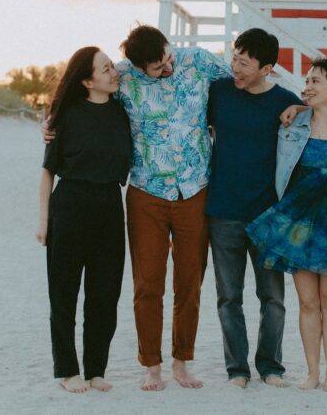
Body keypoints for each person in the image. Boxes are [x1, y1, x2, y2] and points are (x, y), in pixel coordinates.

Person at [43, 25, 229, 391]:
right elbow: (82, 96)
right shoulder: (123, 75)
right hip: (146, 192)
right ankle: (152, 366)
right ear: (140, 67)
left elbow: (244, 85)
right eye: (158, 68)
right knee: (147, 284)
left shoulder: (200, 61)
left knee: (190, 282)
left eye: (168, 58)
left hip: (194, 188)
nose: (167, 68)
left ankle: (181, 363)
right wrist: (51, 122)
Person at [247, 57, 327, 392]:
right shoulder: (291, 125)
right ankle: (312, 372)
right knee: (307, 302)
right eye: (306, 80)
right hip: (299, 225)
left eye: (315, 81)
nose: (307, 86)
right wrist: (298, 107)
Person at [206, 28, 302, 388]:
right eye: (234, 58)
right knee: (229, 297)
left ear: (267, 68)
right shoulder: (219, 92)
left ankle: (271, 366)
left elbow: (324, 113)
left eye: (244, 63)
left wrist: (300, 108)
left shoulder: (284, 101)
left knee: (273, 298)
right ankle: (237, 369)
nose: (236, 68)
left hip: (268, 216)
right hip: (224, 212)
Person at [36, 46, 131, 394]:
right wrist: (43, 220)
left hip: (110, 204)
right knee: (64, 294)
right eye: (105, 69)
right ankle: (67, 370)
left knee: (105, 294)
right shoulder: (66, 116)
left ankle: (96, 370)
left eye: (112, 66)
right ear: (88, 81)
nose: (114, 72)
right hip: (70, 205)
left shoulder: (123, 112)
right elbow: (48, 171)